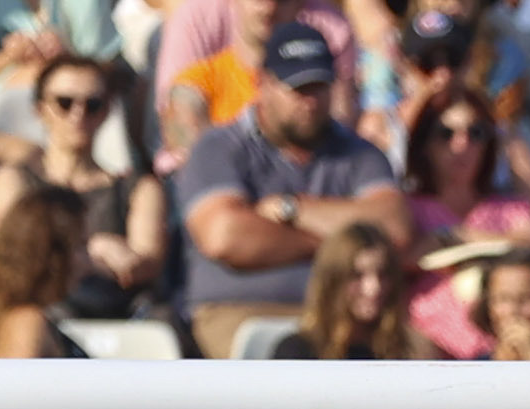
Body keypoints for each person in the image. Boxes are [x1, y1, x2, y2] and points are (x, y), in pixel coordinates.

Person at [171, 20, 404, 361]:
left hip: (345, 316)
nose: (310, 101)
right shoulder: (218, 147)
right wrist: (342, 248)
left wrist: (291, 210)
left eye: (319, 86)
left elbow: (395, 228)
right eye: (297, 88)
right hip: (237, 313)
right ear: (261, 83)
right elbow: (224, 236)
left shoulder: (360, 152)